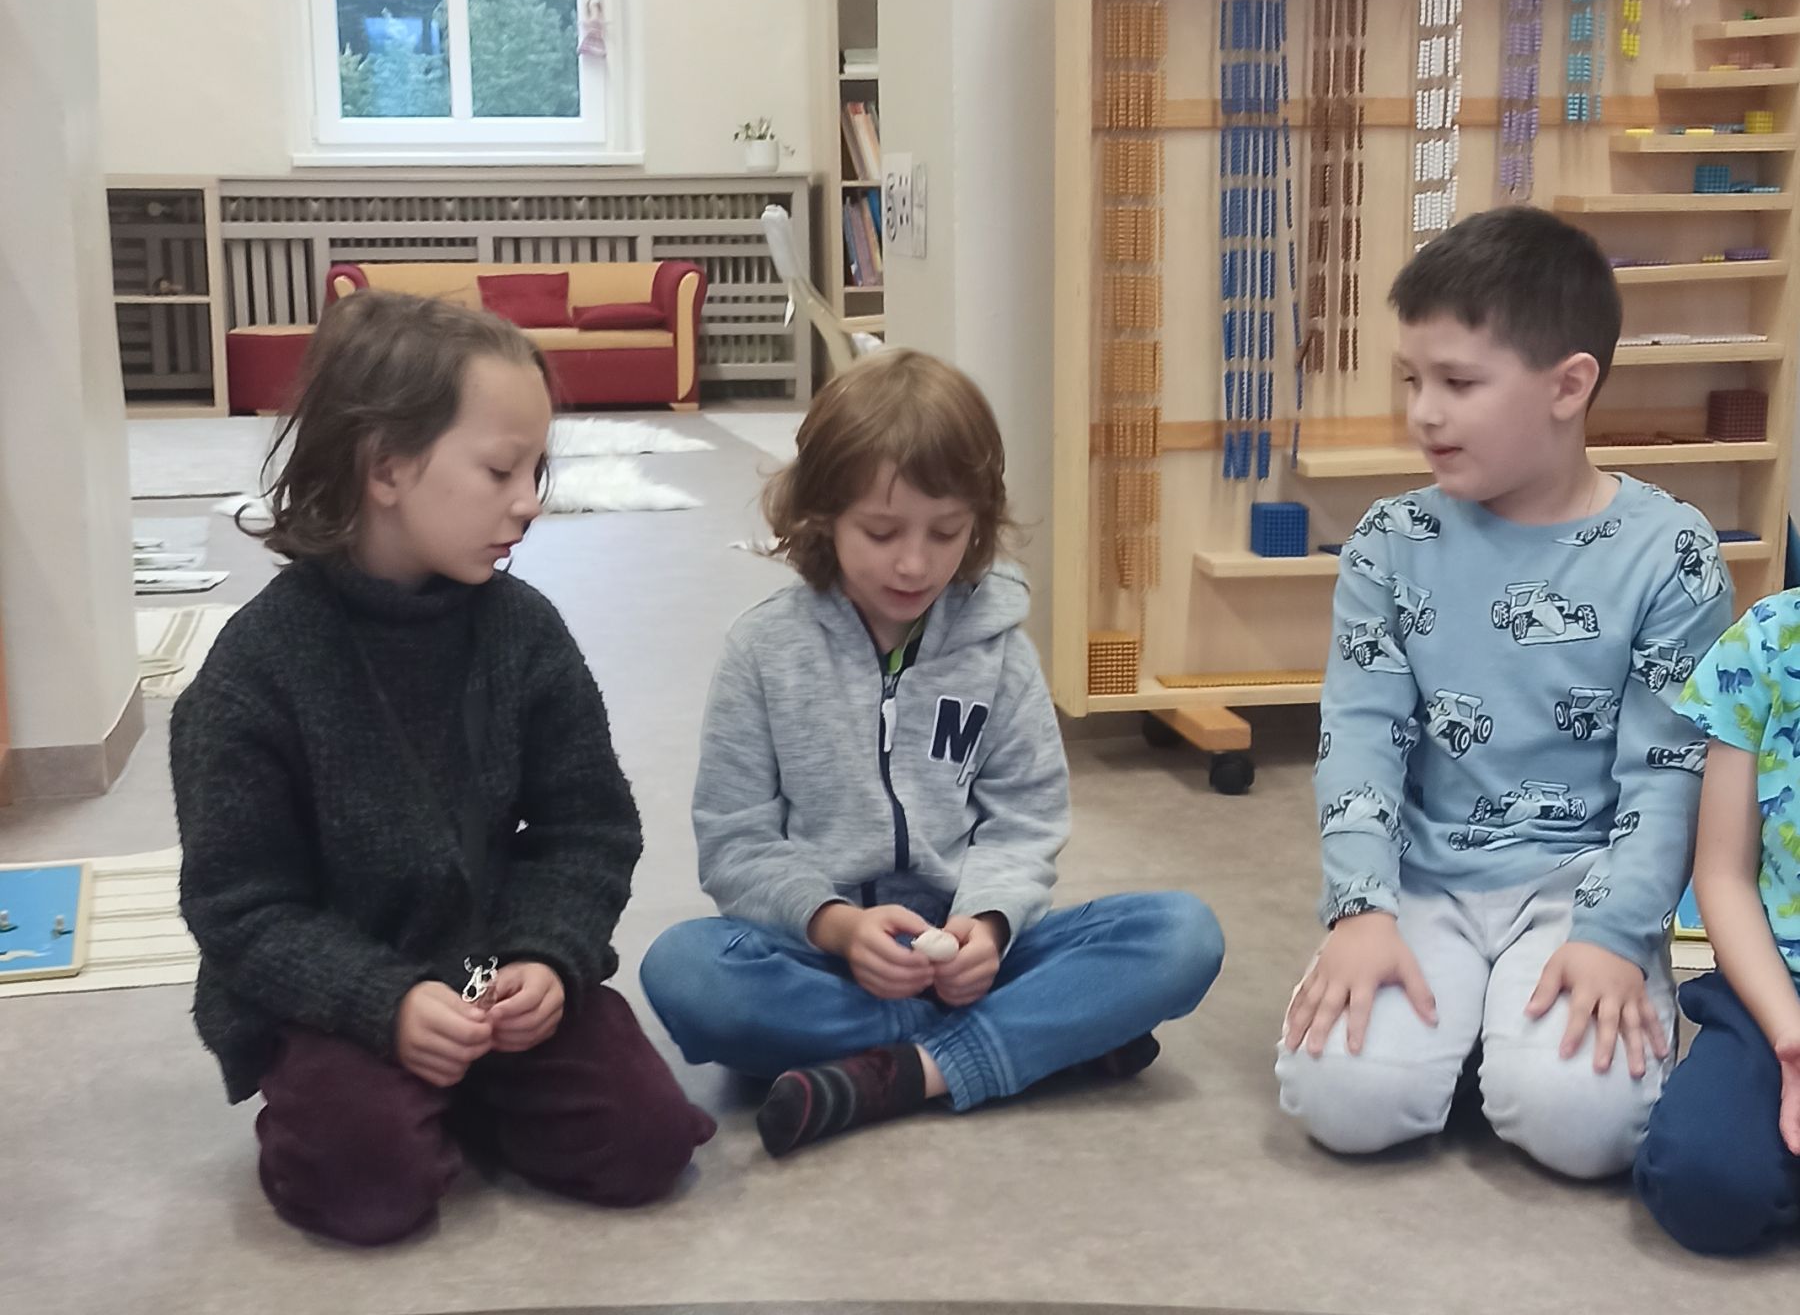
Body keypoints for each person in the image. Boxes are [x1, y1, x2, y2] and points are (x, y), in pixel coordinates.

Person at [170, 290, 711, 1243]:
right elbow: (239, 909)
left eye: (537, 469)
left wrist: (546, 956)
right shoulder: (257, 670)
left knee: (649, 1142)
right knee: (368, 1187)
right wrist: (383, 1005)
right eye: (501, 470)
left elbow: (587, 828)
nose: (529, 500)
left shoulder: (524, 633)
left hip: (491, 976)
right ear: (386, 466)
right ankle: (391, 1103)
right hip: (337, 1002)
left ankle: (462, 1094)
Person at [640, 350, 1222, 1157]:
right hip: (824, 955)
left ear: (978, 523)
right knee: (685, 972)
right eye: (881, 533)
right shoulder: (762, 653)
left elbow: (1024, 821)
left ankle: (900, 1070)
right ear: (821, 517)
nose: (915, 563)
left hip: (974, 960)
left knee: (1183, 935)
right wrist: (838, 927)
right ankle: (1031, 1043)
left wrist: (987, 925)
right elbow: (736, 843)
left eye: (946, 532)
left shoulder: (1000, 652)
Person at [1276, 206, 1732, 1177]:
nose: (1424, 413)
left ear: (1569, 385)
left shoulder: (1671, 553)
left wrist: (1614, 935)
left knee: (1581, 1128)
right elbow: (1359, 737)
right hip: (1425, 876)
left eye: (1459, 382)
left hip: (1582, 882)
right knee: (1347, 1102)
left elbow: (1667, 773)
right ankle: (1467, 1031)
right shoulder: (1390, 541)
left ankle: (1497, 1037)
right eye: (1412, 379)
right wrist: (1361, 909)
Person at [1634, 593, 1800, 1251]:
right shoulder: (1769, 640)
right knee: (1701, 1178)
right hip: (1773, 985)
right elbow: (1723, 875)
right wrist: (1789, 1034)